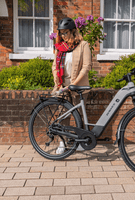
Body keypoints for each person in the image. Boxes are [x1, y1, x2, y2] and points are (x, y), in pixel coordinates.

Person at [51, 17, 92, 152]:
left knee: (79, 115)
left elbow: (86, 67)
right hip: (63, 86)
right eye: (61, 33)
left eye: (65, 33)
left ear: (73, 31)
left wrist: (74, 84)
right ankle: (63, 142)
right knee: (63, 114)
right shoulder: (60, 48)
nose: (63, 36)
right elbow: (54, 66)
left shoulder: (83, 45)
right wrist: (57, 81)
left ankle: (80, 142)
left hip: (78, 86)